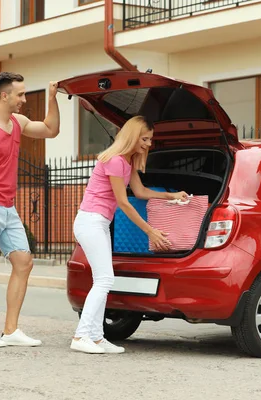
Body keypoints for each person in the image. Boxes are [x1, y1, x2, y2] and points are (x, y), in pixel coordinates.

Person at [71, 115, 188, 354]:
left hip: (99, 223)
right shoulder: (115, 161)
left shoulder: (127, 162)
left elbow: (141, 191)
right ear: (133, 136)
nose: (148, 144)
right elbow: (123, 203)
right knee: (104, 280)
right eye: (145, 138)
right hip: (90, 222)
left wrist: (171, 196)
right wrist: (150, 231)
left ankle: (95, 336)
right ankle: (82, 335)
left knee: (103, 279)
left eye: (150, 140)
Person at [0, 72, 60, 347]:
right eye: (20, 94)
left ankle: (11, 330)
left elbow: (50, 131)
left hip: (8, 206)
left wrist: (52, 99)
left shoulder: (17, 122)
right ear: (4, 95)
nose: (24, 99)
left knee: (23, 262)